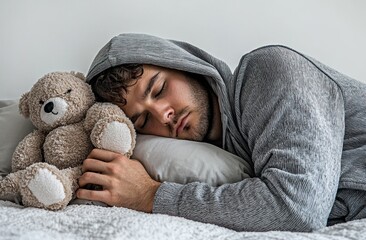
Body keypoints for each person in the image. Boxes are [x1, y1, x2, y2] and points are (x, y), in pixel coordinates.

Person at [76, 33, 366, 232]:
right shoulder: (220, 157)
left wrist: (151, 195)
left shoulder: (269, 71)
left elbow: (297, 210)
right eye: (142, 121)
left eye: (160, 89)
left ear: (185, 66)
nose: (163, 114)